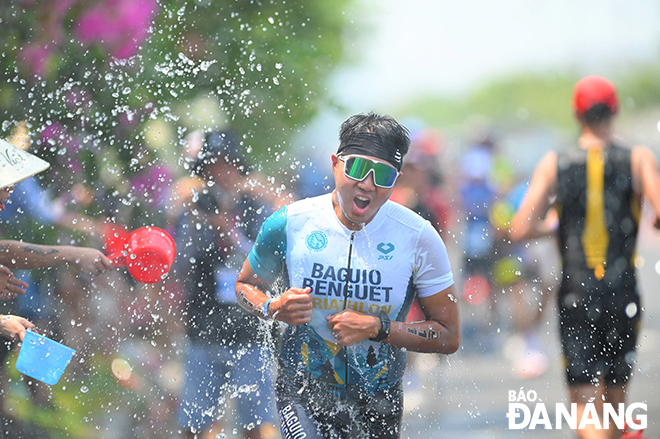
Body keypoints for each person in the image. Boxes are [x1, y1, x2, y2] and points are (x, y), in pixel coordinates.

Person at [235, 113, 461, 438]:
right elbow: (245, 285)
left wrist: (379, 328)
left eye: (382, 174)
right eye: (356, 168)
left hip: (378, 398)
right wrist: (273, 308)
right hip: (301, 389)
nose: (367, 183)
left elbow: (449, 335)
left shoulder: (418, 236)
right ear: (335, 164)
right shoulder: (290, 222)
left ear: (396, 179)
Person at [508, 75, 660, 439]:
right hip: (624, 292)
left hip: (577, 293)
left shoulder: (556, 161)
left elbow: (519, 228)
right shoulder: (637, 158)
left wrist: (556, 225)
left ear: (577, 115)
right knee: (614, 399)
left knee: (583, 402)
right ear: (615, 111)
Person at [174, 130, 278, 439]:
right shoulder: (193, 209)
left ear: (238, 167)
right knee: (196, 425)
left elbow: (269, 262)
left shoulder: (257, 208)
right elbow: (180, 265)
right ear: (203, 172)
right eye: (212, 166)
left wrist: (228, 233)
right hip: (204, 329)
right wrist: (186, 215)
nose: (220, 173)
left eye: (226, 165)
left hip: (251, 330)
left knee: (257, 424)